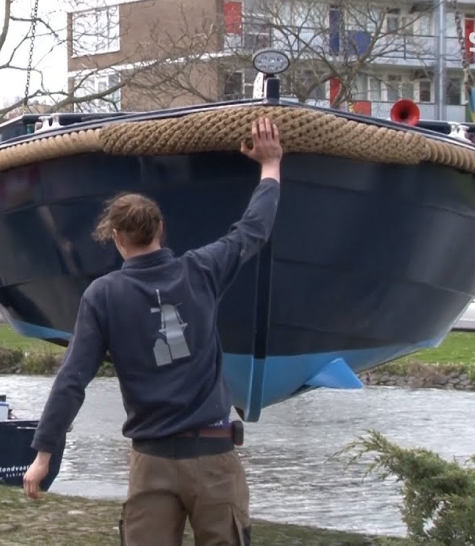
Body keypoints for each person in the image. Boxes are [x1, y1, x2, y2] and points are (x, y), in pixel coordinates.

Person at [22, 117, 283, 545]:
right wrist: (270, 165)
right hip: (214, 456)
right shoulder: (201, 271)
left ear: (117, 238)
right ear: (160, 229)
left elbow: (74, 378)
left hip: (152, 461)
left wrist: (44, 453)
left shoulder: (102, 296)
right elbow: (253, 230)